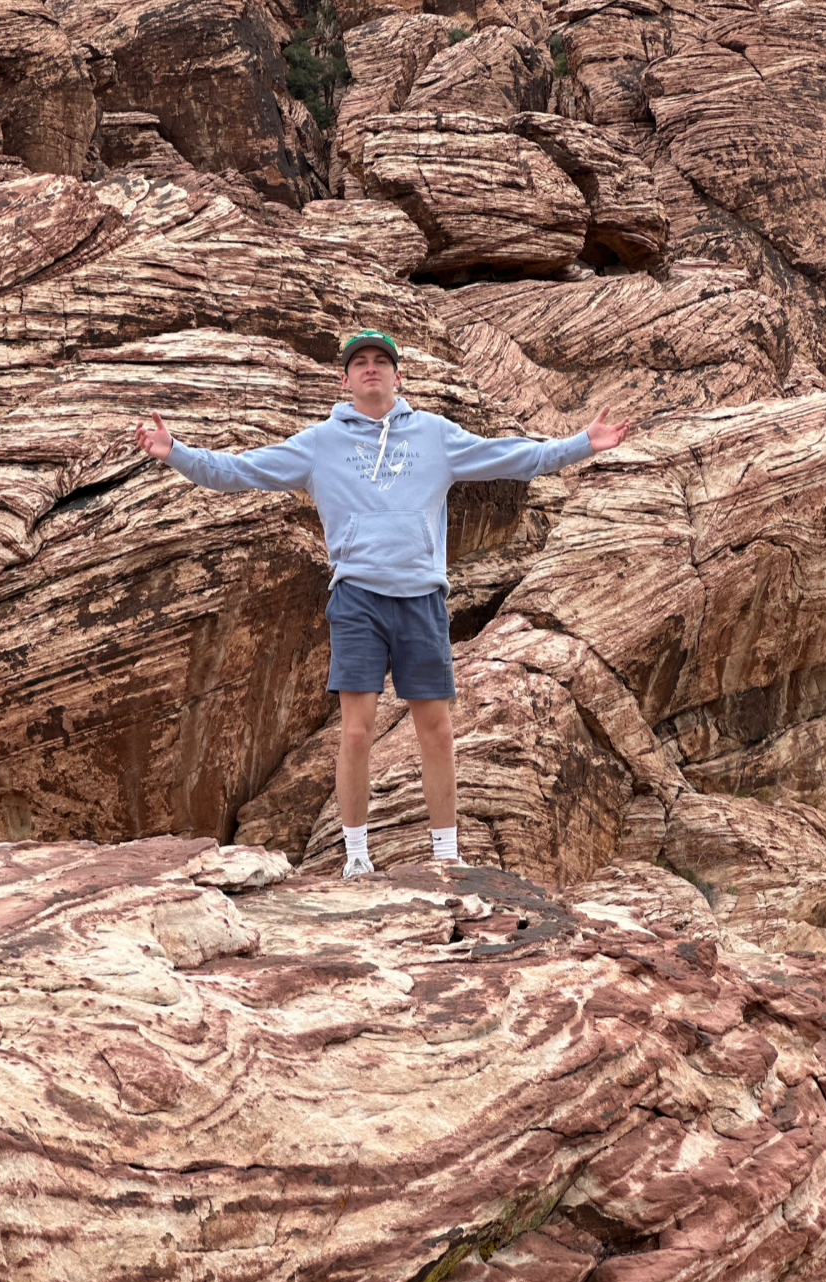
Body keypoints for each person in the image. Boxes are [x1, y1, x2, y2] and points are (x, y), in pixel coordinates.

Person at [135, 328, 629, 878]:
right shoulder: (319, 444)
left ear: (398, 375)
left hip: (421, 598)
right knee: (355, 731)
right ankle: (355, 856)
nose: (371, 368)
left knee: (436, 728)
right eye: (360, 362)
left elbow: (514, 458)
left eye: (381, 361)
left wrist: (583, 443)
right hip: (357, 600)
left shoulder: (435, 436)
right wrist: (175, 453)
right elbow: (239, 471)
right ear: (344, 379)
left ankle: (446, 852)